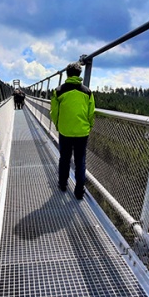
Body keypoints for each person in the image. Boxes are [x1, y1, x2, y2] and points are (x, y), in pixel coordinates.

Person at [50, 62, 95, 200]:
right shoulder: (87, 92)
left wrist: (58, 125)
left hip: (65, 132)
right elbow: (91, 113)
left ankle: (63, 184)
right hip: (82, 132)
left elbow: (54, 112)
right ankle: (79, 191)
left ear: (67, 74)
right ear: (79, 74)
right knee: (80, 161)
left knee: (64, 158)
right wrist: (89, 127)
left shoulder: (58, 91)